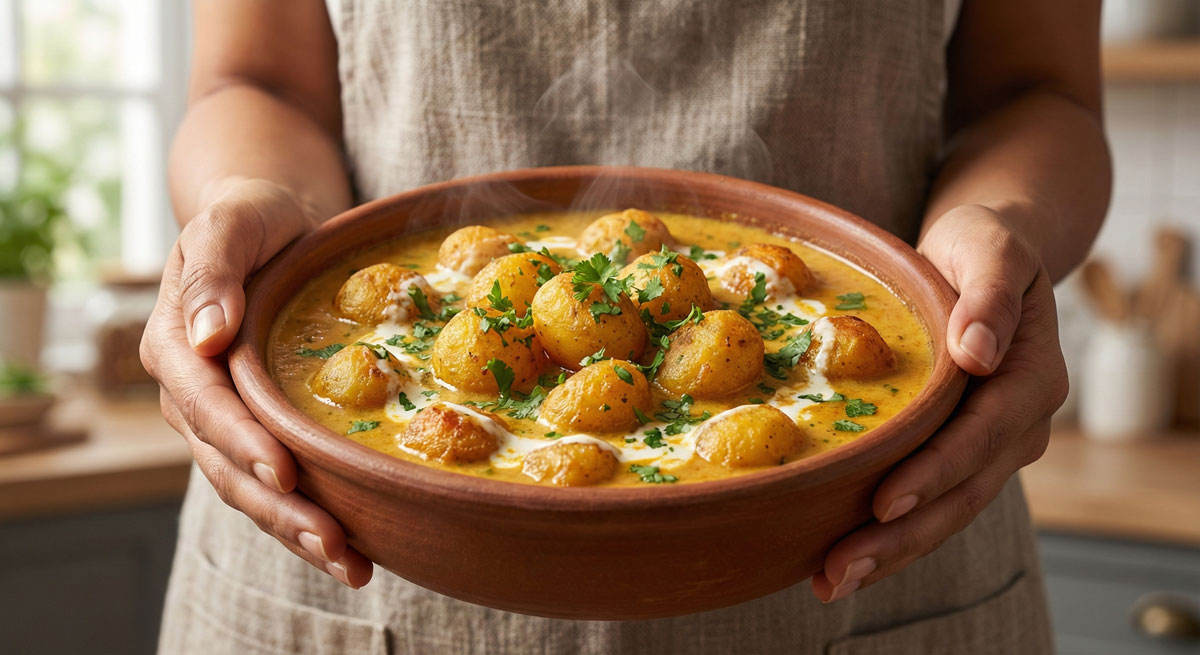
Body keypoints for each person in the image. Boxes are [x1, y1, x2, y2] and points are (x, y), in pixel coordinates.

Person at [141, 1, 1110, 652]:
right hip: (355, 544)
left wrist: (1004, 237)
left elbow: (1040, 94)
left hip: (868, 523)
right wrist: (245, 206)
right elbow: (255, 81)